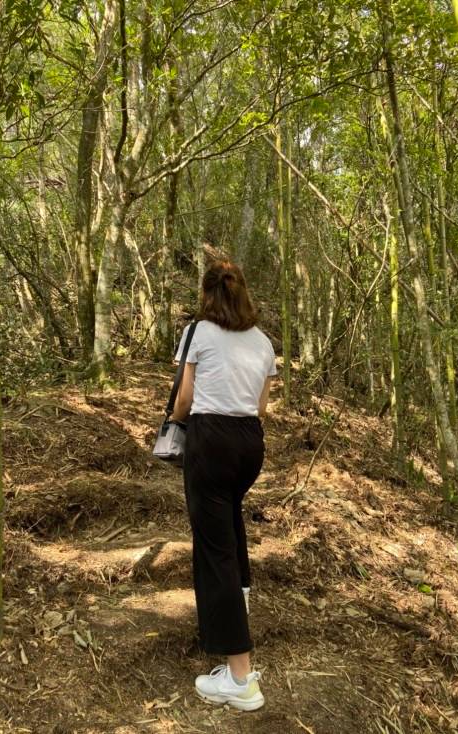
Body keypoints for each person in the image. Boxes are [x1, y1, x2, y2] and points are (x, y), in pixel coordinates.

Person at [170, 259, 276, 712]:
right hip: (249, 444)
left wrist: (174, 424)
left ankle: (241, 679)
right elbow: (262, 407)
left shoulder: (198, 332)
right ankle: (238, 607)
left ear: (206, 295)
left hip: (210, 439)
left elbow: (185, 400)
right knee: (229, 525)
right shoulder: (263, 342)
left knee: (215, 551)